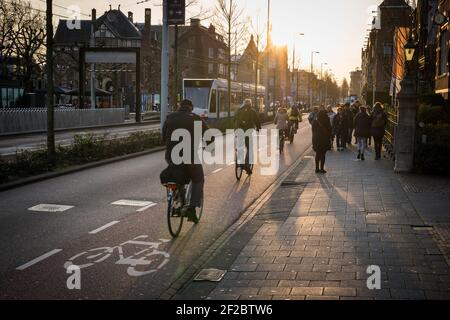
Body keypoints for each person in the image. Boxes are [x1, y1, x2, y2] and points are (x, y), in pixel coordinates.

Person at [162, 99, 210, 223]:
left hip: (171, 155)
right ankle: (191, 208)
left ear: (179, 107)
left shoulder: (170, 117)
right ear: (191, 108)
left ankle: (177, 193)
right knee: (198, 179)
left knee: (178, 172)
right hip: (190, 156)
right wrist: (208, 145)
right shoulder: (195, 118)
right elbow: (209, 135)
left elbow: (163, 137)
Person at [234, 99, 262, 174]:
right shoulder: (252, 111)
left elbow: (234, 120)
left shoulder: (239, 111)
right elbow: (257, 120)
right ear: (250, 104)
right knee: (249, 149)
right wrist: (258, 128)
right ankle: (247, 164)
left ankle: (240, 162)